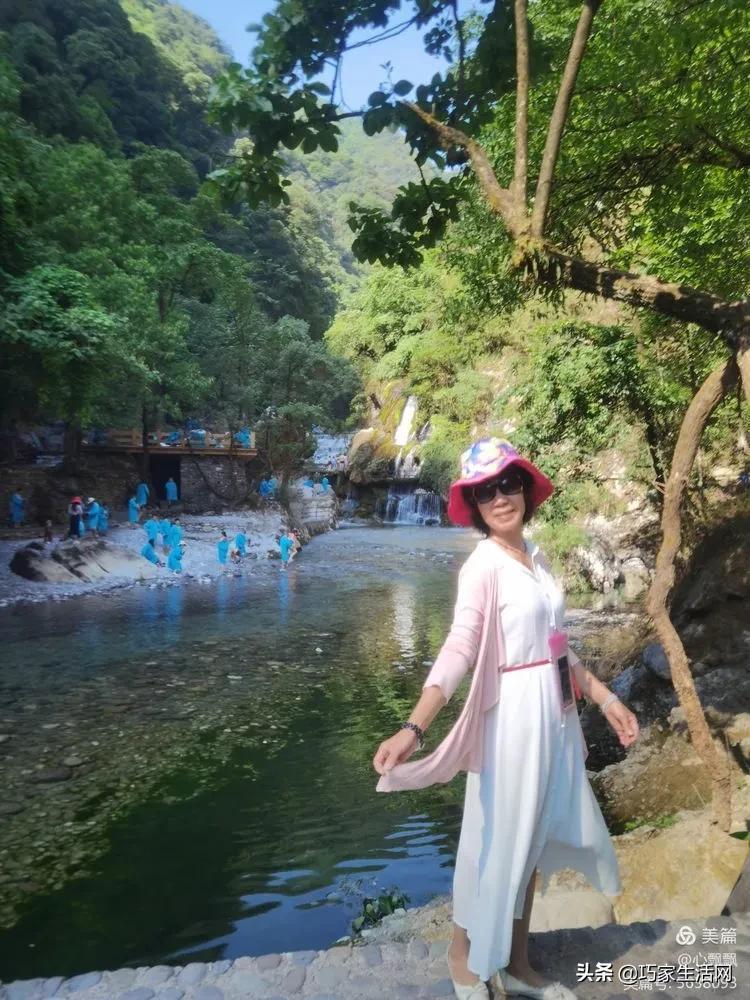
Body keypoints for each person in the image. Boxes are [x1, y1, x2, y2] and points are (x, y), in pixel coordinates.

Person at [373, 438, 640, 1000]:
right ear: (474, 504)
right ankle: (463, 959)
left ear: (524, 490)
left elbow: (557, 646)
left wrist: (606, 698)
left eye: (508, 483)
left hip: (553, 717)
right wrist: (414, 726)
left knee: (531, 839)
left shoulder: (536, 557)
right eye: (485, 490)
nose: (499, 497)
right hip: (512, 720)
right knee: (492, 838)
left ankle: (517, 964)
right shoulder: (483, 565)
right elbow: (459, 648)